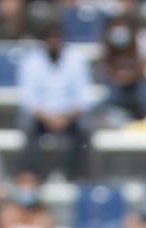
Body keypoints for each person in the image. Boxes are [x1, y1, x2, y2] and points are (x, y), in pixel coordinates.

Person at [16, 18, 95, 180]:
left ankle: (74, 175)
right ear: (43, 41)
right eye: (49, 38)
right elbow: (28, 100)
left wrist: (65, 116)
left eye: (57, 38)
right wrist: (48, 117)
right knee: (27, 125)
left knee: (85, 127)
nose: (53, 42)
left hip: (69, 116)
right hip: (42, 117)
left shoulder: (76, 59)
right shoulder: (31, 61)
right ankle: (31, 176)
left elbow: (84, 98)